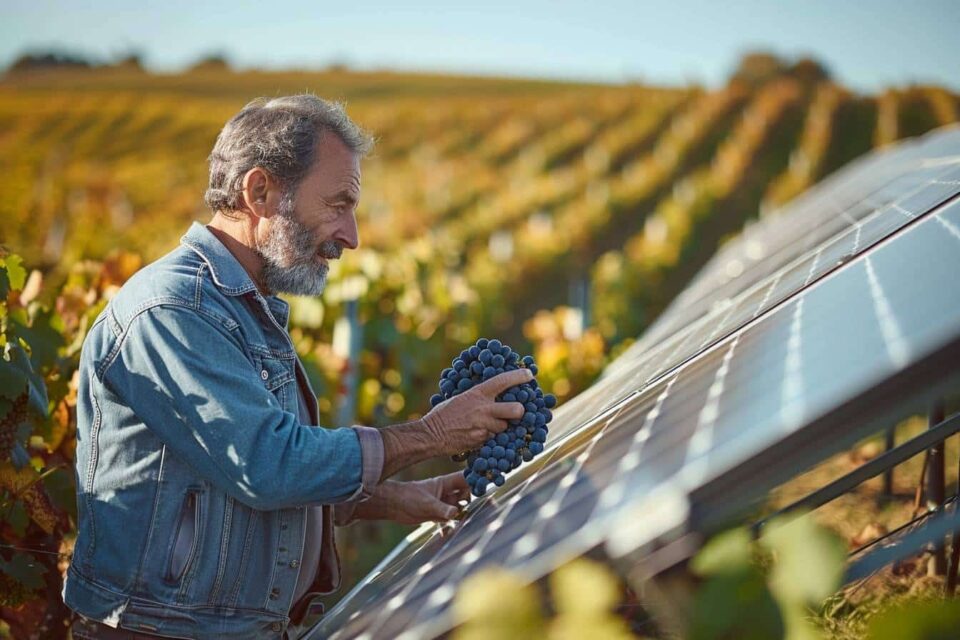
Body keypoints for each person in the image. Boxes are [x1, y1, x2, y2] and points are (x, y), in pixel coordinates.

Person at [62, 94, 531, 639]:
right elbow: (265, 466)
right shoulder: (174, 311)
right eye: (338, 204)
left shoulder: (238, 308)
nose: (351, 237)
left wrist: (387, 498)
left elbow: (223, 491)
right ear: (260, 192)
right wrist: (431, 434)